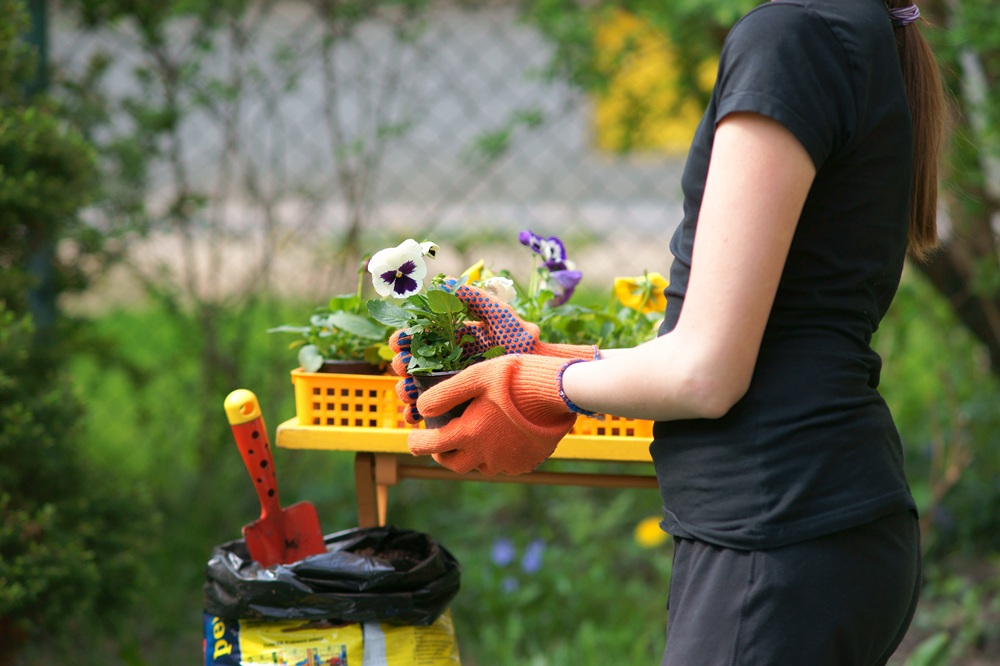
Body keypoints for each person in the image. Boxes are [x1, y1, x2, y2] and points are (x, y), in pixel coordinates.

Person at [390, 0, 946, 663]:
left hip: (774, 535)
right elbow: (766, 335)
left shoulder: (790, 37)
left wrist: (539, 384)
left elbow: (705, 375)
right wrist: (542, 359)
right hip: (816, 529)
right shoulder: (847, 26)